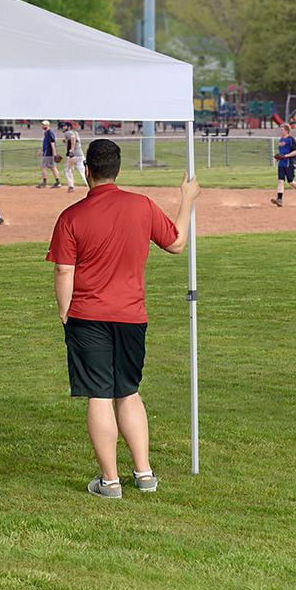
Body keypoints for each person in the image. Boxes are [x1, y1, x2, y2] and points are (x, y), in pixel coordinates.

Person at [47, 139, 200, 500]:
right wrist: (187, 199)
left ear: (87, 171)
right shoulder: (141, 206)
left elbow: (63, 272)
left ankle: (110, 481)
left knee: (99, 396)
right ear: (118, 169)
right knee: (128, 393)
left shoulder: (72, 216)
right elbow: (176, 243)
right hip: (131, 315)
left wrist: (64, 311)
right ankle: (144, 473)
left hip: (87, 315)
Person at [271, 123, 296, 207]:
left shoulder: (291, 139)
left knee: (290, 181)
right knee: (280, 180)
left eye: (282, 129)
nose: (280, 131)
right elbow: (282, 152)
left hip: (289, 163)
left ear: (286, 130)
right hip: (281, 163)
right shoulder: (281, 140)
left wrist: (285, 156)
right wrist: (278, 157)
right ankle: (279, 200)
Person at [37, 120, 62, 189]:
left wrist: (54, 154)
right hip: (47, 153)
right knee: (52, 167)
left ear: (47, 125)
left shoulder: (49, 133)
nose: (42, 126)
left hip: (48, 154)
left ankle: (44, 183)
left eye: (44, 125)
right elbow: (46, 144)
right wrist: (42, 151)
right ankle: (58, 182)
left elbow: (52, 143)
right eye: (42, 125)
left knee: (43, 167)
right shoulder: (47, 133)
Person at [63, 123, 86, 192]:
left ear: (69, 127)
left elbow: (72, 138)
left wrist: (72, 149)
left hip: (72, 155)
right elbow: (74, 139)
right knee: (83, 171)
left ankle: (71, 186)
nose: (63, 127)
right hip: (80, 155)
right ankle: (91, 185)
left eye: (65, 126)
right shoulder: (76, 132)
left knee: (67, 170)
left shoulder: (68, 132)